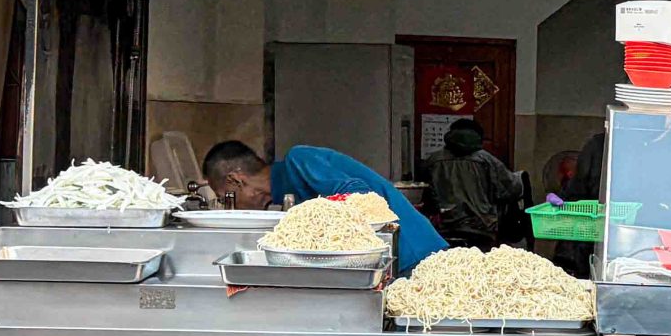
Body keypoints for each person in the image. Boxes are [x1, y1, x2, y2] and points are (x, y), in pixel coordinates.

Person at [200, 140, 448, 277]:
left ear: (236, 180)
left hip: (414, 253)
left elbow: (358, 193)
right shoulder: (289, 194)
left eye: (227, 197)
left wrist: (314, 219)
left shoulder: (300, 159)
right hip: (400, 258)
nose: (232, 206)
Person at [424, 118, 525, 247]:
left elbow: (427, 195)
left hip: (444, 227)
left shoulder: (433, 160)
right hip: (481, 227)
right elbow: (510, 190)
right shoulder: (487, 160)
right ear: (478, 137)